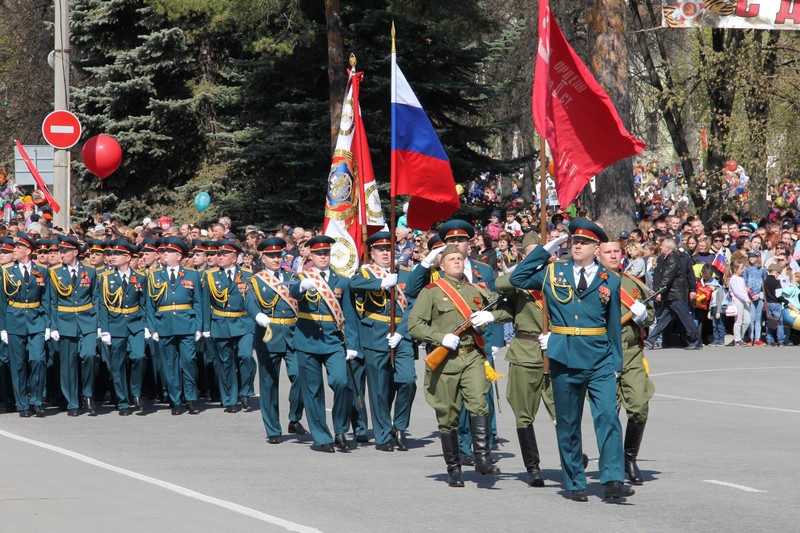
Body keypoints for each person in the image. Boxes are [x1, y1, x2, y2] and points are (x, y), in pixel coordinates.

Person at [510, 219, 635, 501]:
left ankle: (613, 478)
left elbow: (613, 323)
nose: (577, 245)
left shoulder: (610, 279)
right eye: (574, 241)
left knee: (608, 417)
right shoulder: (553, 271)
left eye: (584, 242)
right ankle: (575, 480)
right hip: (564, 354)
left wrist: (616, 363)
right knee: (567, 421)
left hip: (600, 356)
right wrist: (544, 250)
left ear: (596, 248)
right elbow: (517, 278)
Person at [408, 244, 510, 487]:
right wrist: (439, 337)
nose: (457, 261)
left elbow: (507, 310)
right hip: (445, 360)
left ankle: (483, 458)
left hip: (472, 356)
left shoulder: (477, 290)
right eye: (451, 259)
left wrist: (491, 317)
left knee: (479, 403)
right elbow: (415, 324)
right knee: (447, 415)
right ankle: (453, 468)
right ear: (441, 266)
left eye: (460, 258)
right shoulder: (431, 292)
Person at [495, 232, 557, 487]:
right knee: (524, 413)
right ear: (523, 256)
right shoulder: (518, 280)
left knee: (563, 411)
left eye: (543, 251)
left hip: (556, 351)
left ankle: (571, 455)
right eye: (533, 251)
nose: (539, 256)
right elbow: (500, 286)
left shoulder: (558, 275)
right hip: (525, 350)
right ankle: (533, 467)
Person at [289, 235, 359, 453]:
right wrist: (301, 287)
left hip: (333, 340)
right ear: (310, 254)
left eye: (326, 253)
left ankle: (340, 429)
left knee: (341, 382)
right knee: (313, 390)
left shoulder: (341, 281)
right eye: (319, 253)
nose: (323, 257)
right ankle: (321, 437)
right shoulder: (301, 277)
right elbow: (292, 293)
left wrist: (352, 344)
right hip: (307, 339)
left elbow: (349, 314)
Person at [350, 232, 416, 451]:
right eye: (380, 250)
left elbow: (414, 304)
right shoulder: (366, 273)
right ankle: (383, 435)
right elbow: (354, 284)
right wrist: (380, 282)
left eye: (389, 249)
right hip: (375, 334)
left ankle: (399, 426)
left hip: (402, 333)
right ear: (373, 253)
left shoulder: (405, 273)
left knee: (407, 380)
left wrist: (401, 332)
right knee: (379, 388)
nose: (385, 253)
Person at [597, 240, 655, 486]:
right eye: (607, 252)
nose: (613, 255)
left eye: (616, 251)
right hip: (603, 354)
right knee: (610, 411)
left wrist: (643, 316)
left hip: (631, 353)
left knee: (639, 405)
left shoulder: (633, 283)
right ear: (598, 255)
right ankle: (611, 461)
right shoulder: (591, 284)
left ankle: (629, 458)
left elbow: (650, 314)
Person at [246, 237, 307, 443]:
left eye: (278, 255)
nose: (275, 259)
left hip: (293, 332)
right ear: (263, 258)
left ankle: (294, 418)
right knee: (269, 383)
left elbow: (298, 296)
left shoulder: (292, 276)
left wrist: (306, 287)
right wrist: (258, 316)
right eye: (271, 256)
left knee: (300, 376)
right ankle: (273, 429)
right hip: (269, 334)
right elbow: (251, 303)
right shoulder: (256, 280)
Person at [144, 237, 204, 415]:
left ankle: (191, 397)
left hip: (187, 323)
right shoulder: (154, 275)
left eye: (168, 252)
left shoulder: (192, 275)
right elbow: (149, 304)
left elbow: (198, 302)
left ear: (178, 256)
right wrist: (152, 327)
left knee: (189, 361)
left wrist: (199, 327)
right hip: (164, 324)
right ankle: (175, 399)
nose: (163, 254)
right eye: (163, 251)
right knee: (169, 365)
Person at [0, 232, 52, 417]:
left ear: (28, 251)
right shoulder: (6, 271)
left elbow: (46, 299)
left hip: (36, 319)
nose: (14, 250)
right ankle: (22, 403)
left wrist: (48, 324)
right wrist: (3, 327)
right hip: (14, 319)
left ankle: (36, 400)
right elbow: (2, 300)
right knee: (18, 364)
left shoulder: (42, 271)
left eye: (18, 248)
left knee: (38, 359)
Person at [202, 239, 255, 413]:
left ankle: (246, 391)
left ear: (234, 258)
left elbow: (253, 301)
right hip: (221, 323)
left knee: (246, 356)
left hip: (243, 322)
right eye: (219, 254)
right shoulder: (210, 276)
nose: (220, 257)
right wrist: (205, 327)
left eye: (224, 254)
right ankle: (229, 398)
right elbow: (205, 303)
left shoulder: (247, 274)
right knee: (225, 363)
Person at [97, 239, 146, 416]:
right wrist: (104, 329)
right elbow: (101, 305)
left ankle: (136, 392)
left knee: (139, 357)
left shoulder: (140, 277)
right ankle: (122, 401)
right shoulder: (105, 278)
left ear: (127, 257)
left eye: (117, 254)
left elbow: (144, 303)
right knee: (117, 365)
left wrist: (146, 325)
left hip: (135, 323)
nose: (113, 257)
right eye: (112, 254)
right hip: (115, 324)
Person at [646, 238, 702, 350]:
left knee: (685, 317)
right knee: (663, 319)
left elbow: (667, 277)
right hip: (670, 295)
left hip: (676, 295)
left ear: (668, 248)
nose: (660, 247)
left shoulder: (672, 259)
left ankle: (696, 340)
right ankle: (650, 340)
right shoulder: (667, 258)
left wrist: (657, 290)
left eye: (662, 245)